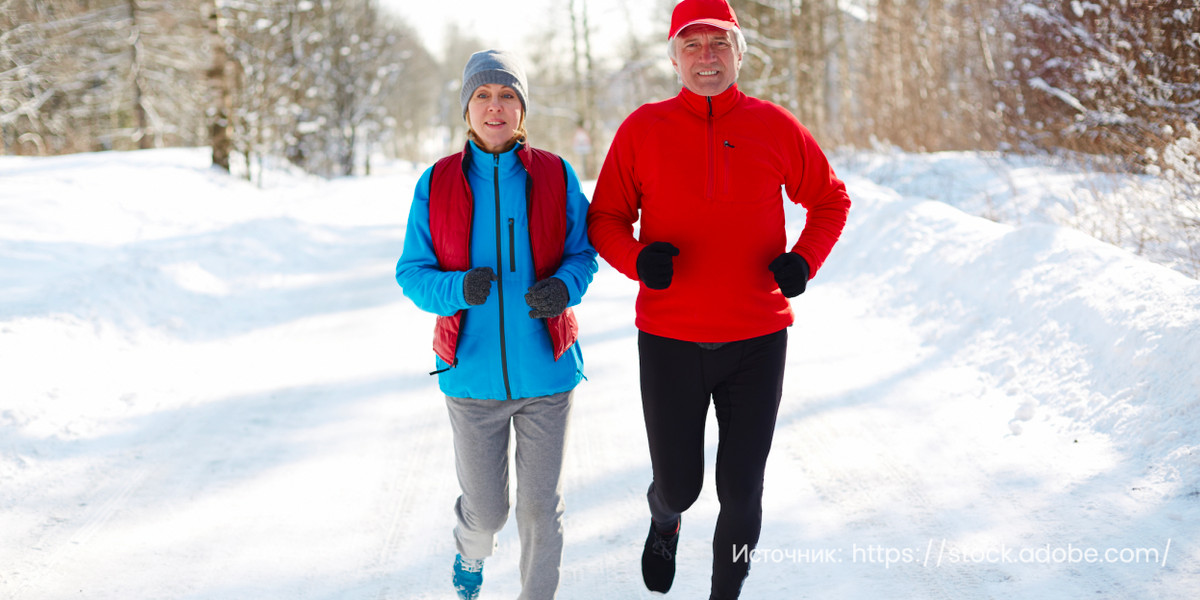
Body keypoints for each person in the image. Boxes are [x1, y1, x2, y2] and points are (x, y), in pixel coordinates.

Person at [586, 0, 851, 598]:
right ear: (675, 56)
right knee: (680, 485)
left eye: (719, 44)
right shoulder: (642, 129)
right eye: (693, 45)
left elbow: (830, 200)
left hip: (757, 339)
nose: (707, 57)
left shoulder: (775, 126)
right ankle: (664, 519)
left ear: (738, 53)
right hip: (669, 339)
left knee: (741, 490)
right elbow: (603, 218)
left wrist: (804, 258)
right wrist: (636, 261)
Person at [395, 49, 598, 600]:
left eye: (507, 94)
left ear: (522, 107)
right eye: (483, 95)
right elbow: (411, 273)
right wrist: (457, 287)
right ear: (467, 109)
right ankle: (470, 549)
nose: (495, 106)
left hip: (547, 375)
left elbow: (584, 255)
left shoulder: (555, 174)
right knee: (487, 511)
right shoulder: (436, 184)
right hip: (471, 377)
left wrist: (564, 288)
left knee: (539, 511)